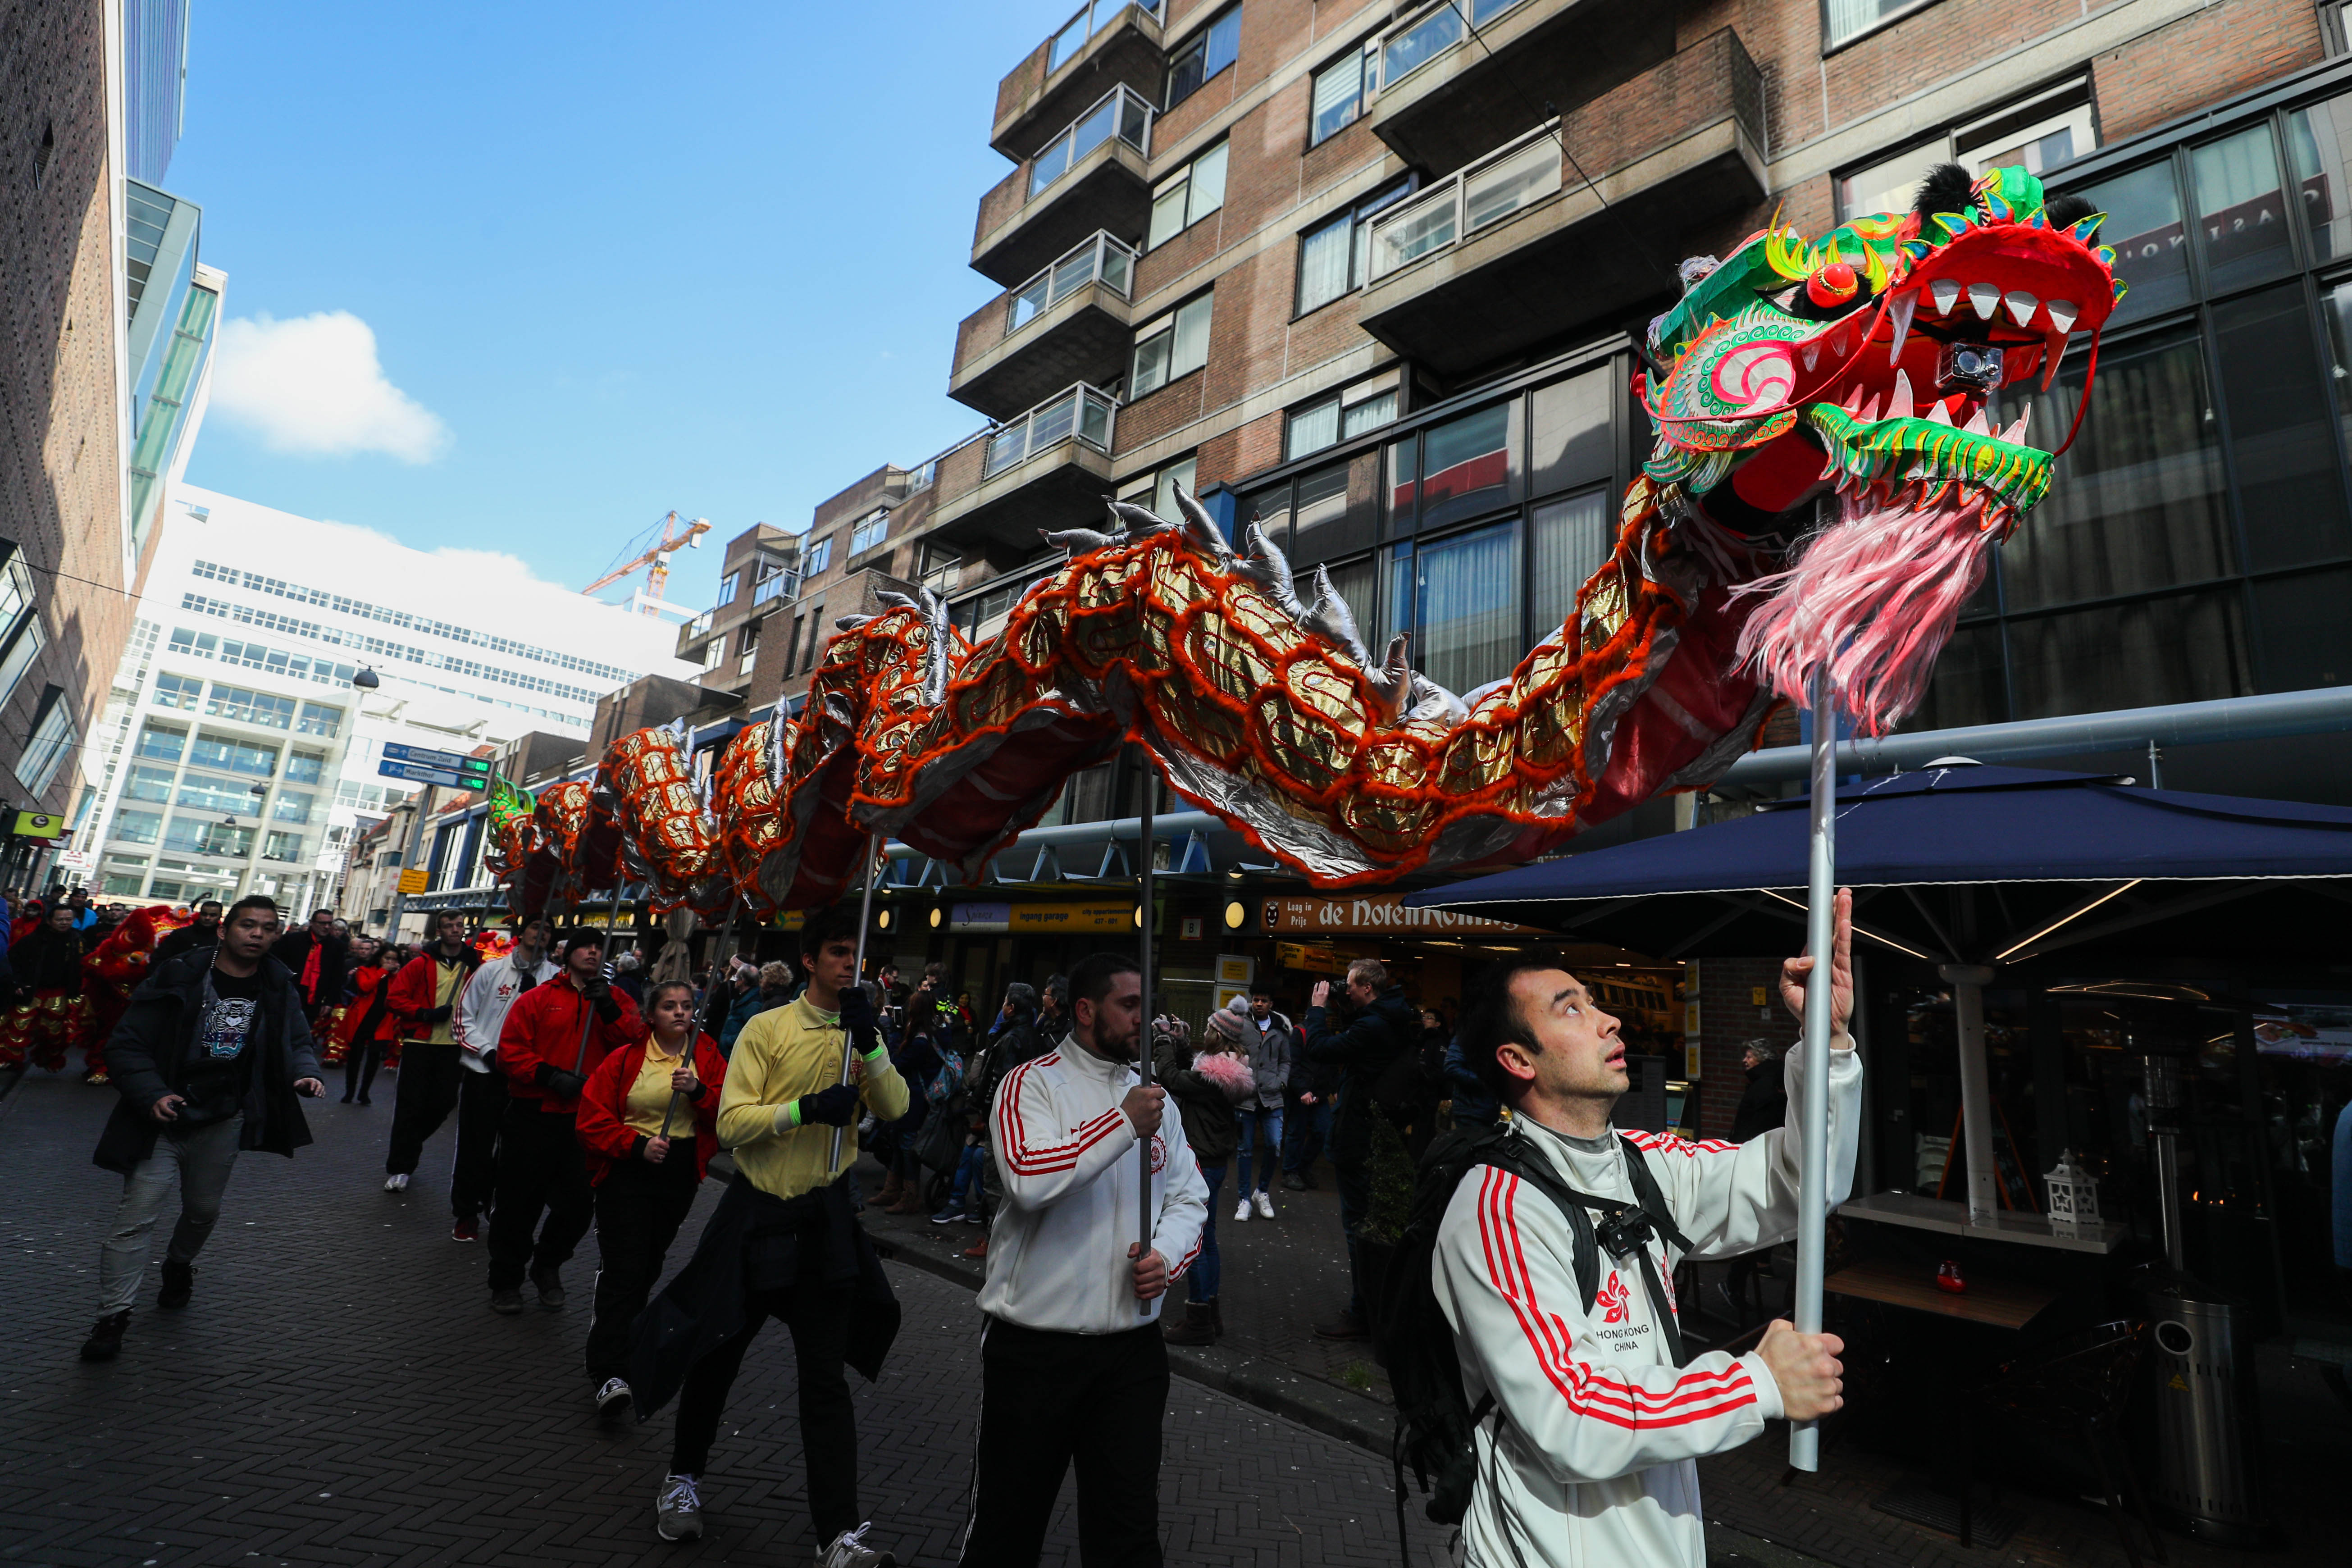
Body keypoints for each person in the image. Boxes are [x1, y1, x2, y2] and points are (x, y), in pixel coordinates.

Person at [1435, 893, 1861, 1568]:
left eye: (1595, 1002)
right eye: (1571, 1008)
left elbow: (1803, 1185)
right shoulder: (1496, 1208)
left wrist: (1827, 1043)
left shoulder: (1646, 1164)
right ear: (1519, 1061)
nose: (1608, 1020)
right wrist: (1755, 1384)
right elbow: (1569, 1421)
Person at [627, 907, 908, 1562]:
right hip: (758, 1214)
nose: (849, 965)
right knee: (717, 1350)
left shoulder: (861, 1033)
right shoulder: (767, 1027)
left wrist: (870, 1045)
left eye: (854, 955)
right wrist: (804, 1109)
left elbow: (896, 1111)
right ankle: (683, 1479)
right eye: (838, 952)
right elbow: (731, 1125)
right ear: (810, 960)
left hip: (824, 1221)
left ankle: (837, 1534)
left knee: (824, 1381)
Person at [956, 952, 1207, 1565]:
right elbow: (1027, 1177)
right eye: (1130, 1006)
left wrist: (1167, 1257)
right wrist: (1121, 1125)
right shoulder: (1029, 1084)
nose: (1143, 1020)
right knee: (1006, 1531)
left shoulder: (1156, 1102)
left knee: (1128, 1534)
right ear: (1087, 1010)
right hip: (1035, 1347)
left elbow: (1189, 1195)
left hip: (1131, 1353)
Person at [77, 895, 325, 1362]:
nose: (257, 934)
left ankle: (179, 1265)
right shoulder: (182, 974)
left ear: (277, 936)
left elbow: (296, 1038)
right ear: (223, 931)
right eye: (248, 925)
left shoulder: (277, 984)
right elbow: (127, 1044)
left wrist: (304, 1071)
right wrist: (153, 1094)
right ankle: (112, 1317)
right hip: (164, 1119)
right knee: (136, 1219)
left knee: (203, 1210)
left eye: (267, 928)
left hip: (223, 1119)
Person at [574, 977, 726, 1415]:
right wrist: (635, 1144)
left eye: (686, 1005)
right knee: (624, 1268)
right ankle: (609, 1370)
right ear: (651, 1015)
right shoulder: (625, 1061)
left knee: (648, 1265)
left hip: (677, 1171)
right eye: (669, 1006)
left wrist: (698, 1092)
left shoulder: (707, 1055)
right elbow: (590, 1121)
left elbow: (728, 1111)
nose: (679, 1012)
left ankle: (622, 1341)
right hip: (628, 1169)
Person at [488, 931, 646, 1313]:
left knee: (579, 1204)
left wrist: (608, 1009)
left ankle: (548, 1264)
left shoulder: (619, 1000)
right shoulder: (538, 998)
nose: (593, 952)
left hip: (586, 1119)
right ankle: (506, 1280)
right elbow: (510, 1052)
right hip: (534, 1115)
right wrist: (548, 1075)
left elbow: (635, 1047)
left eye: (600, 948)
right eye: (585, 946)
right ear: (567, 953)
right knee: (517, 1203)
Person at [1300, 958, 1418, 1339]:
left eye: (1350, 985)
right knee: (1370, 1224)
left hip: (1360, 1132)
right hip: (1379, 1129)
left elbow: (1319, 1047)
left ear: (1368, 988)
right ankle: (1371, 1309)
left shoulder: (1375, 1025)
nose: (1344, 990)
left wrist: (1317, 1009)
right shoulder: (1395, 1016)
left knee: (1358, 1226)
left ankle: (1363, 1313)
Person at [448, 916, 558, 1240]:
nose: (541, 934)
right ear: (522, 932)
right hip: (486, 1073)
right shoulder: (491, 971)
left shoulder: (556, 979)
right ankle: (466, 1212)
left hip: (528, 1079)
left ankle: (499, 1208)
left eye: (548, 930)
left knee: (518, 1152)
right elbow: (463, 1018)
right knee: (475, 1146)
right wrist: (488, 1052)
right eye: (537, 927)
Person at [1157, 1005, 1253, 1347]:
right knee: (1207, 1236)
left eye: (1209, 1028)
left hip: (1202, 1158)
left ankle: (1198, 1317)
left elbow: (1174, 1078)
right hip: (1214, 1158)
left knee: (1194, 1239)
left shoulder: (1216, 1072)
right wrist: (1181, 1043)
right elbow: (1191, 1071)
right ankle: (1210, 1314)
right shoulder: (1227, 1067)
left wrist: (1162, 1041)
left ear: (1218, 1033)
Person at [381, 910, 484, 1196]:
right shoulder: (419, 965)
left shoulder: (474, 964)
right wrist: (424, 1013)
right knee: (409, 1108)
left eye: (460, 925)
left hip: (453, 1046)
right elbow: (395, 999)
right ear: (438, 930)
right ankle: (400, 1167)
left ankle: (410, 1144)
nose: (455, 929)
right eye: (449, 925)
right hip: (419, 1044)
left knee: (444, 1104)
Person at [1718, 1039, 1790, 1322]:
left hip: (1756, 1162)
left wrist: (1734, 1155)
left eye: (1748, 1055)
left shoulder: (1762, 1086)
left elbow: (1751, 1128)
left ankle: (1736, 1281)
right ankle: (1757, 1266)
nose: (1744, 1060)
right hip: (1771, 1161)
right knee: (1768, 1218)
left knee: (1759, 1221)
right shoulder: (1776, 1081)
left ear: (1760, 1057)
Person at [0, 900, 93, 1073]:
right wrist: (17, 983)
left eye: (68, 919)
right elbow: (13, 961)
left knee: (55, 1032)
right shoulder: (33, 940)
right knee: (18, 1027)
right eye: (60, 919)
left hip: (60, 993)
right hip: (32, 990)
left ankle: (48, 1059)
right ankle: (9, 1059)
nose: (64, 923)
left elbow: (83, 964)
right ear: (49, 920)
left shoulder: (77, 940)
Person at [1233, 990, 1289, 1222]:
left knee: (1274, 1145)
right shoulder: (1240, 1024)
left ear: (1271, 1004)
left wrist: (1281, 1081)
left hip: (1273, 1097)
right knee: (1245, 1149)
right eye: (1256, 1000)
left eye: (1264, 1001)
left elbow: (1286, 1060)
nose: (1259, 1004)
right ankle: (1244, 1199)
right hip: (1246, 1096)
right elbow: (1229, 1051)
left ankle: (1261, 1192)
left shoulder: (1280, 1028)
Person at [337, 939, 399, 1105]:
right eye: (388, 959)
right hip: (362, 1019)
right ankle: (350, 1092)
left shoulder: (395, 976)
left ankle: (364, 1093)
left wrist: (395, 975)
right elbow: (365, 987)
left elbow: (397, 995)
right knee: (355, 1058)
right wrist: (383, 972)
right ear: (380, 958)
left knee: (373, 1060)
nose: (391, 962)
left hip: (382, 1021)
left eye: (394, 959)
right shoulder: (364, 970)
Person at [269, 908, 348, 1030]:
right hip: (287, 994)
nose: (327, 927)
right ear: (312, 923)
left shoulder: (337, 946)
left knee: (303, 1032)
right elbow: (276, 965)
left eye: (329, 924)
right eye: (323, 923)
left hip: (315, 999)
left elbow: (337, 976)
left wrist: (329, 1002)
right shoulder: (292, 940)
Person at [153, 900, 222, 964]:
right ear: (200, 914)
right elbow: (159, 959)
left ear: (220, 917)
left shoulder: (224, 939)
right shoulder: (180, 934)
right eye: (204, 914)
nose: (207, 918)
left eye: (213, 915)